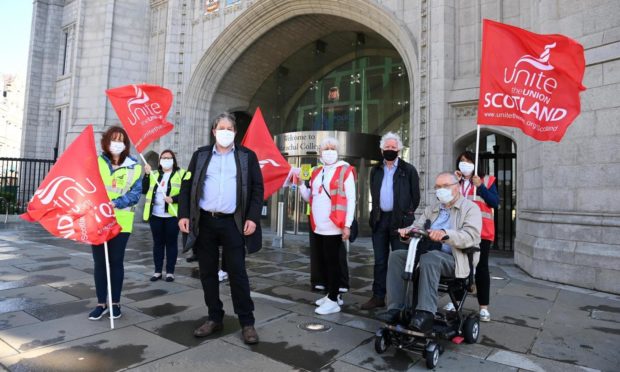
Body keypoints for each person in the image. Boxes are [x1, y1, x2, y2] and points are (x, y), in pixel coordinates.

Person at [178, 112, 263, 345]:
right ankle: (214, 317)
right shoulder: (201, 155)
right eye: (220, 127)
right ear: (213, 131)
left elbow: (257, 189)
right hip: (205, 222)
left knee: (237, 272)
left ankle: (247, 322)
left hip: (233, 222)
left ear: (235, 132)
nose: (225, 131)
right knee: (207, 272)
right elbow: (187, 186)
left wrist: (253, 218)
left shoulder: (247, 156)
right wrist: (183, 214)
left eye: (229, 128)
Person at [379, 172, 481, 332]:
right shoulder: (432, 209)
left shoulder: (470, 208)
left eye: (445, 186)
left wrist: (445, 234)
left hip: (455, 259)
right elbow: (418, 227)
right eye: (438, 187)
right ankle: (396, 309)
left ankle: (425, 313)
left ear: (457, 187)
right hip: (427, 254)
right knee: (397, 256)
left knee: (430, 258)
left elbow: (471, 236)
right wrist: (407, 232)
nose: (441, 190)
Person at [88, 126, 142, 320]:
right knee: (100, 263)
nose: (117, 144)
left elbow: (135, 194)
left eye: (121, 140)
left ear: (125, 144)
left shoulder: (135, 166)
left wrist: (116, 203)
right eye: (113, 140)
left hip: (122, 221)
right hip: (98, 220)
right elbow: (88, 186)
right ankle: (101, 303)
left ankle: (116, 303)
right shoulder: (96, 163)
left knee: (116, 261)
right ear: (106, 142)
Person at [362, 132, 420, 310]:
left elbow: (415, 197)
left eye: (393, 148)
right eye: (387, 147)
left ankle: (399, 301)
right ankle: (378, 296)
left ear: (399, 150)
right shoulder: (375, 170)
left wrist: (407, 216)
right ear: (381, 150)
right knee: (380, 261)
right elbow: (374, 192)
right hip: (380, 220)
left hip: (400, 223)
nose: (390, 150)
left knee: (399, 261)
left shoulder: (408, 170)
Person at [298, 137, 356, 315]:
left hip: (334, 224)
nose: (329, 151)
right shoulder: (317, 171)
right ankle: (332, 293)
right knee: (324, 260)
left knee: (333, 262)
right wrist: (300, 184)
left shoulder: (346, 170)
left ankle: (333, 299)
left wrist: (347, 225)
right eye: (326, 148)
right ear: (320, 152)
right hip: (318, 224)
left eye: (332, 148)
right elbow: (310, 197)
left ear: (337, 151)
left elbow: (352, 199)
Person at [446, 150, 499, 322]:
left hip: (482, 232)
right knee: (459, 266)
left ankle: (484, 307)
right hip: (461, 232)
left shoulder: (488, 180)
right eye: (462, 161)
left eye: (468, 161)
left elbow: (495, 202)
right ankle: (456, 301)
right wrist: (453, 182)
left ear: (476, 164)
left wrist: (481, 187)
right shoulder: (457, 182)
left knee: (482, 268)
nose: (465, 163)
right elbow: (446, 202)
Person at [142, 150, 191, 282]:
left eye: (169, 158)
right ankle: (157, 271)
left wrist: (174, 199)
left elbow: (188, 193)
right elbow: (144, 190)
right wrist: (146, 175)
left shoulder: (183, 174)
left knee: (171, 243)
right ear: (159, 161)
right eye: (163, 158)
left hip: (172, 216)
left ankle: (170, 272)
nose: (166, 160)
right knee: (157, 243)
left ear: (174, 160)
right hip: (155, 216)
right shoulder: (155, 174)